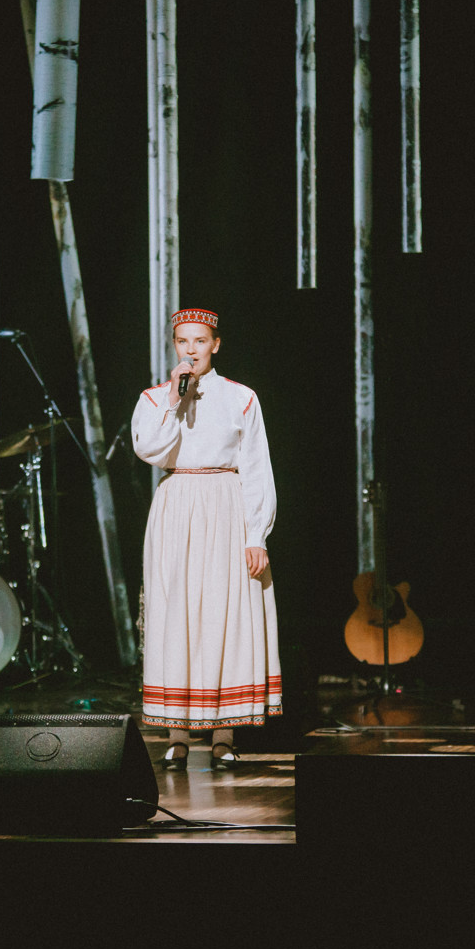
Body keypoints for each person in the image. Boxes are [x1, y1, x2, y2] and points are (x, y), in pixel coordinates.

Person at [132, 308, 281, 770]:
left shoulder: (241, 397)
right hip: (177, 505)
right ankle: (177, 734)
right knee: (175, 614)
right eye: (183, 341)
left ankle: (224, 735)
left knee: (225, 614)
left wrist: (256, 535)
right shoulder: (155, 398)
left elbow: (257, 467)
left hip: (225, 504)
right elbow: (148, 448)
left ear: (215, 344)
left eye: (199, 341)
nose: (191, 349)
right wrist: (174, 399)